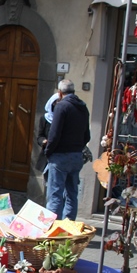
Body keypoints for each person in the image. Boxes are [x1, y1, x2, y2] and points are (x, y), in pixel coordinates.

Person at [44, 79, 91, 220]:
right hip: (76, 156)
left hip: (60, 156)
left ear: (59, 93)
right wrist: (77, 148)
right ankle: (69, 226)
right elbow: (87, 136)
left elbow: (54, 134)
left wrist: (48, 151)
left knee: (55, 195)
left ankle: (53, 227)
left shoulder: (62, 106)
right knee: (71, 194)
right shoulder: (83, 107)